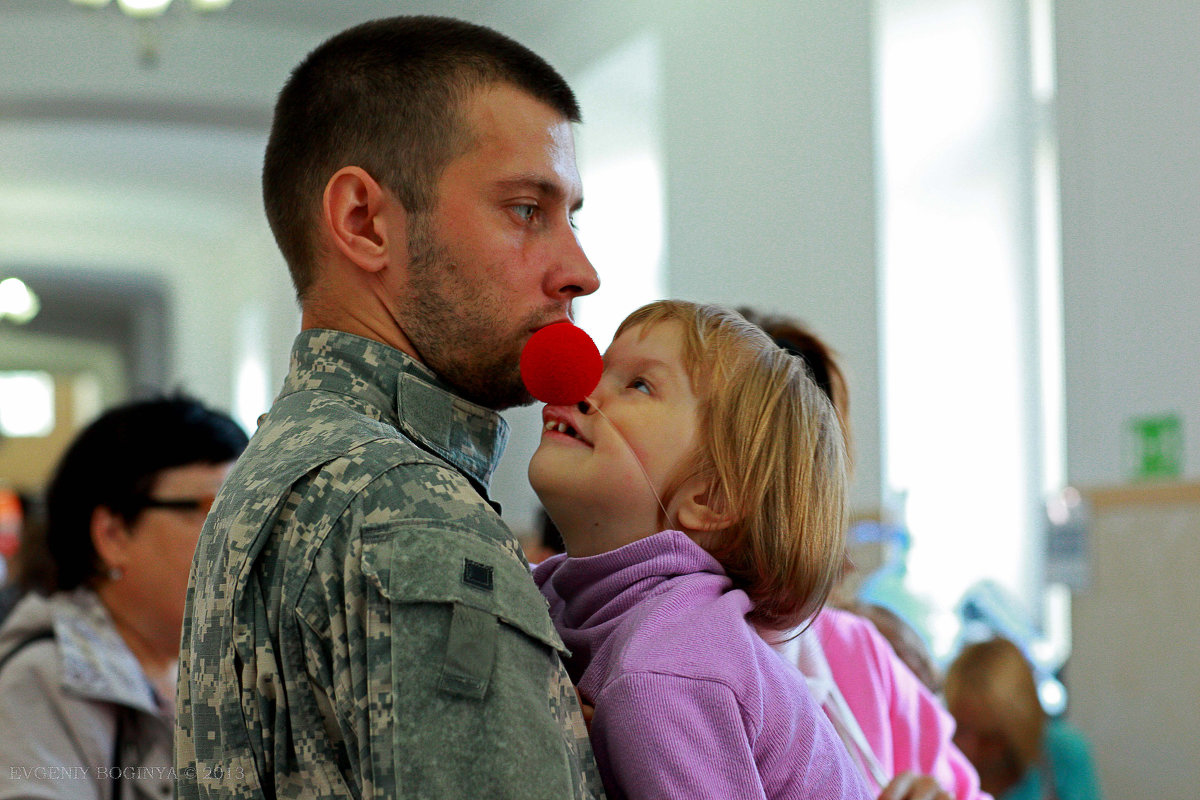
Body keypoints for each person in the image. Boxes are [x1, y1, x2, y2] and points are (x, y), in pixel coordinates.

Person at [175, 15, 603, 800]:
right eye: (525, 210)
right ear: (365, 222)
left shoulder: (289, 461)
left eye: (572, 215)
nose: (580, 269)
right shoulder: (405, 506)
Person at [530, 300, 871, 800]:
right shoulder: (556, 594)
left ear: (709, 498)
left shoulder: (666, 666)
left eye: (639, 385)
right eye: (601, 367)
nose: (577, 384)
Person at [741, 308, 989, 800]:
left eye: (805, 456)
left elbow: (961, 789)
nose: (780, 487)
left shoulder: (859, 654)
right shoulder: (618, 645)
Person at [0, 396, 247, 800]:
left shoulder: (226, 668)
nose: (244, 538)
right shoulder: (42, 683)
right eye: (217, 509)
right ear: (113, 535)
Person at [944, 638, 1101, 800]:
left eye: (990, 738)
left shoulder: (1062, 754)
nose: (974, 749)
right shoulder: (942, 771)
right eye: (961, 730)